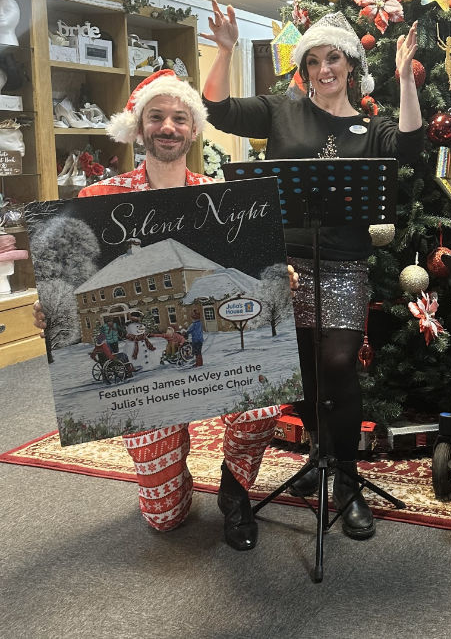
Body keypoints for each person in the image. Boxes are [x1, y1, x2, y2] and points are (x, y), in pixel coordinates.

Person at [34, 70, 297, 552]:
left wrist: (277, 279)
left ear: (194, 129)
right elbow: (70, 286)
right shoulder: (98, 200)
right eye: (156, 117)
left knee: (264, 396)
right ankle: (172, 478)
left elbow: (252, 266)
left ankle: (235, 487)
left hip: (217, 357)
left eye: (180, 118)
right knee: (163, 520)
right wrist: (49, 308)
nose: (168, 127)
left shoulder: (221, 198)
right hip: (147, 383)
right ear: (138, 128)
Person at [201, 2, 424, 540]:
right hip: (285, 265)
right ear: (305, 69)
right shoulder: (281, 111)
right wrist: (226, 49)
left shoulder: (371, 128)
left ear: (350, 65)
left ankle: (345, 480)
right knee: (301, 369)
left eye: (335, 60)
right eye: (315, 61)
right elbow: (218, 110)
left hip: (344, 267)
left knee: (340, 364)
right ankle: (318, 458)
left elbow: (413, 147)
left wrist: (404, 78)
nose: (324, 70)